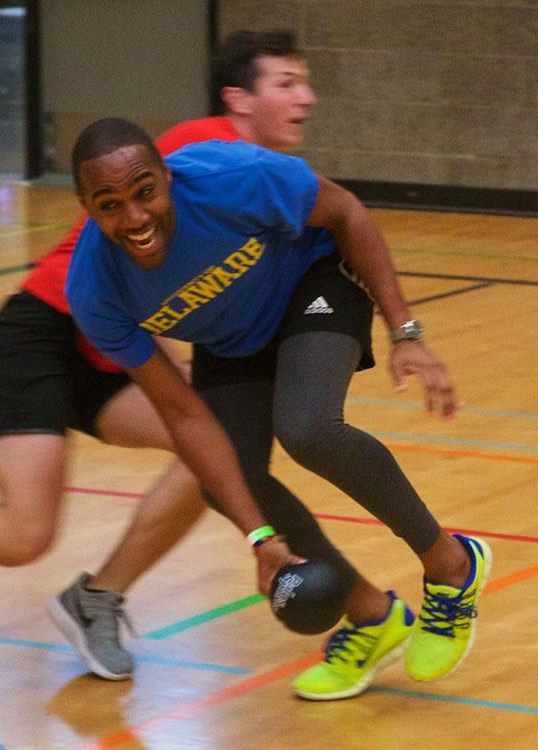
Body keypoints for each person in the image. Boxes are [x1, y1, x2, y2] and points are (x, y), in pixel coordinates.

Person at [0, 30, 315, 681]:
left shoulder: (257, 179)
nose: (304, 97)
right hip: (41, 334)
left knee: (214, 453)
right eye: (285, 83)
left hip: (113, 353)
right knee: (24, 536)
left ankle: (96, 599)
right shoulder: (207, 149)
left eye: (303, 82)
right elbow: (140, 262)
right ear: (239, 100)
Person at [65, 118, 492, 701]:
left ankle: (451, 566)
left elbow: (348, 214)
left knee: (308, 426)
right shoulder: (95, 290)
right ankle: (372, 621)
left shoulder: (232, 177)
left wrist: (406, 331)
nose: (134, 217)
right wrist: (259, 536)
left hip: (312, 280)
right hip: (231, 338)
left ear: (168, 176)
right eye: (109, 205)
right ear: (85, 207)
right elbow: (184, 414)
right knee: (225, 482)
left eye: (145, 192)